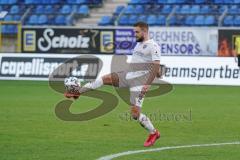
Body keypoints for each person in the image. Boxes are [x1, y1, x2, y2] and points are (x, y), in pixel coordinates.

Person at [65, 22, 162, 147]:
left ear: (144, 31)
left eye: (137, 32)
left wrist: (148, 83)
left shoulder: (153, 46)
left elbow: (156, 66)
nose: (135, 34)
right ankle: (78, 92)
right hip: (128, 75)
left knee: (135, 114)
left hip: (140, 82)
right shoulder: (139, 45)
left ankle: (154, 133)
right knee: (104, 79)